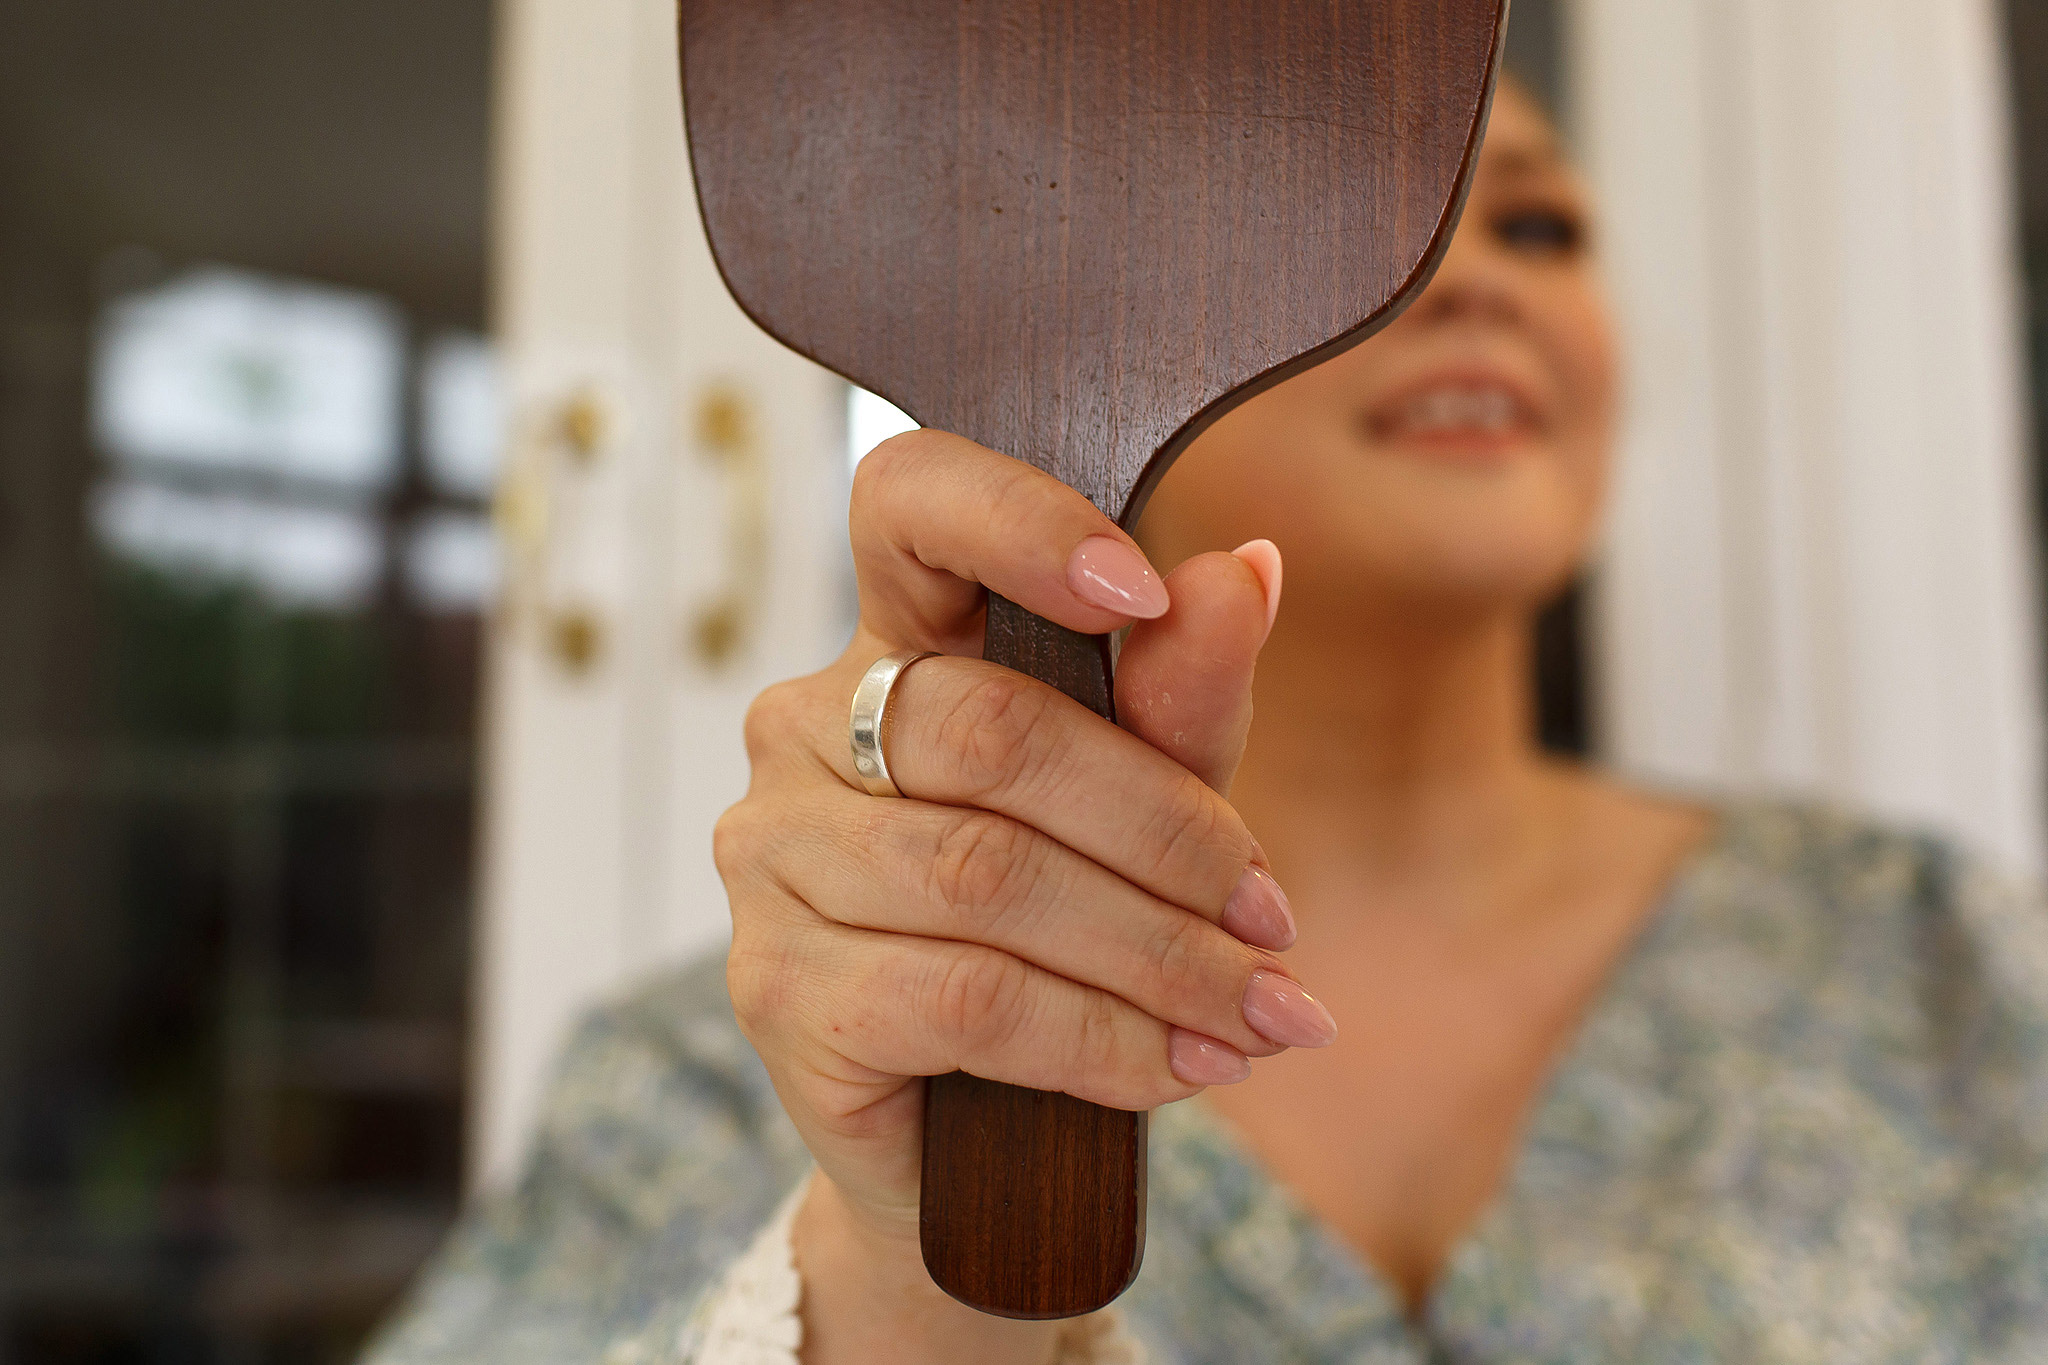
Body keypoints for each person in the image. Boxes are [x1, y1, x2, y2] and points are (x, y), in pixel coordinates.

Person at [365, 81, 2048, 1364]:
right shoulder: (751, 1069)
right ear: (1090, 340)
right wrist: (897, 1279)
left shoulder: (1946, 967)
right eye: (1353, 213)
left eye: (1538, 227)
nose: (1481, 287)